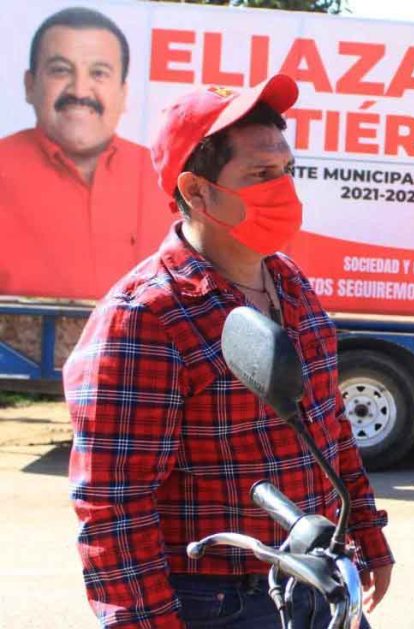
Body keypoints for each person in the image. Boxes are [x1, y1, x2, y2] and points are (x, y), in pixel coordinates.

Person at [63, 75, 394, 628]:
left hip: (318, 578)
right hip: (218, 603)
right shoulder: (147, 315)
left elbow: (329, 426)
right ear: (196, 191)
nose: (284, 189)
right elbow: (114, 503)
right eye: (261, 174)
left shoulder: (289, 282)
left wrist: (367, 534)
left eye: (287, 170)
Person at [0, 6, 169, 300]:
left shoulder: (167, 181)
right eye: (60, 70)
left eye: (98, 73)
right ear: (30, 85)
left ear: (123, 93)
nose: (79, 90)